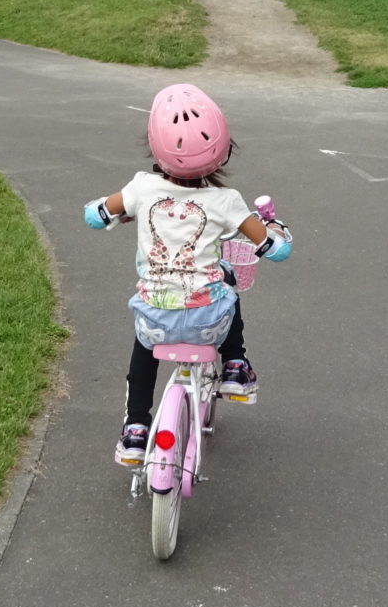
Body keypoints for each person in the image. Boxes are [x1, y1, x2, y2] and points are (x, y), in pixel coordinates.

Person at [83, 83, 292, 467]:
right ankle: (235, 365)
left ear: (155, 149)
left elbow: (94, 216)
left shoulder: (142, 188)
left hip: (155, 319)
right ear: (224, 148)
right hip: (207, 321)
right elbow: (276, 251)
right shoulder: (227, 202)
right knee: (226, 281)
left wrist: (111, 210)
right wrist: (275, 230)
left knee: (142, 350)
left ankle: (135, 429)